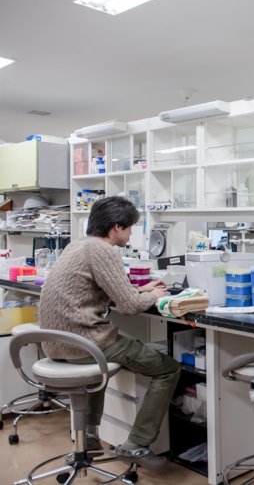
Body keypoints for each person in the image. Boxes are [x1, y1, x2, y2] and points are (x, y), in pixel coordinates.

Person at [38, 196, 179, 469]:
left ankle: (90, 435)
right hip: (85, 344)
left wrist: (142, 290)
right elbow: (129, 306)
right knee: (168, 369)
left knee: (98, 365)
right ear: (116, 227)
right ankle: (138, 443)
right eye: (129, 228)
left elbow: (111, 293)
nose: (130, 234)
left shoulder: (78, 245)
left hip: (57, 344)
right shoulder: (104, 251)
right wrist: (155, 295)